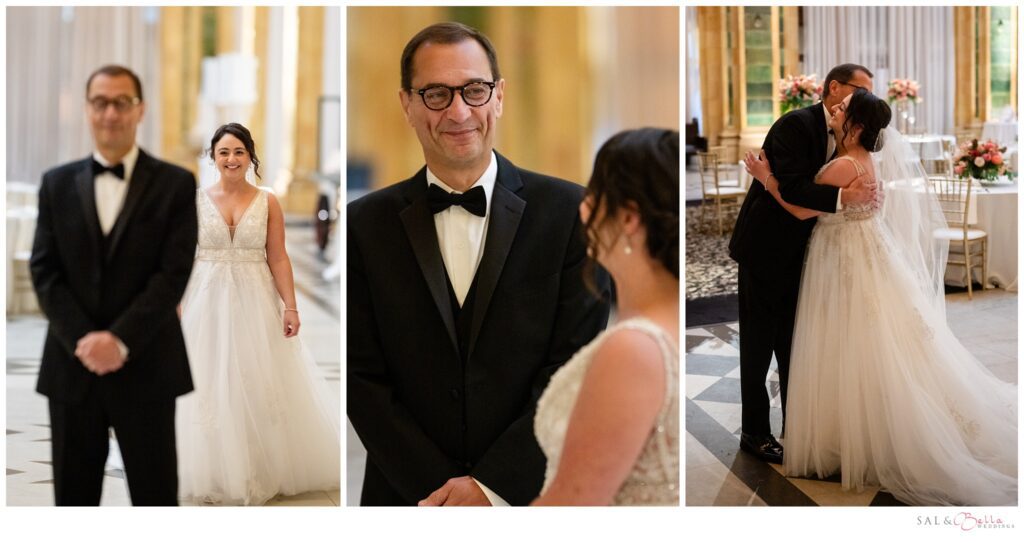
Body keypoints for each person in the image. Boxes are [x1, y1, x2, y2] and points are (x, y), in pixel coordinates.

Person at [347, 21, 611, 506]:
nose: (459, 111)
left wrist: (492, 487)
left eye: (474, 90)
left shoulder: (572, 212)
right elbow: (360, 377)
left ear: (499, 96)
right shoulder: (362, 225)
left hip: (533, 495)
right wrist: (439, 494)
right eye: (435, 94)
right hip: (405, 496)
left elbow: (575, 366)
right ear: (406, 103)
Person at [744, 88, 1018, 506]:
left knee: (845, 342)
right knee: (866, 341)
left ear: (854, 125)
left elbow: (801, 208)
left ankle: (842, 434)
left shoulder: (841, 164)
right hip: (860, 253)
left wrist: (765, 179)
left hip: (840, 259)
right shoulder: (861, 160)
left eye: (845, 110)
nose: (837, 110)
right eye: (840, 103)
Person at [30, 65, 198, 506]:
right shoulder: (55, 184)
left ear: (139, 110)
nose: (110, 113)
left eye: (121, 102)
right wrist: (85, 340)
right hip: (72, 366)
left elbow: (173, 274)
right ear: (87, 109)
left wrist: (120, 340)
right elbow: (45, 271)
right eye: (100, 102)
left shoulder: (175, 185)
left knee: (155, 498)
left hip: (148, 366)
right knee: (74, 502)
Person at [176, 123, 340, 505]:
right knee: (208, 378)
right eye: (224, 152)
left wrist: (291, 306)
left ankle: (259, 464)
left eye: (238, 152)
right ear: (213, 158)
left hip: (255, 297)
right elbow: (181, 257)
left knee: (254, 377)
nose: (231, 159)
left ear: (250, 156)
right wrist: (177, 302)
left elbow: (279, 257)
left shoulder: (268, 201)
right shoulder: (196, 200)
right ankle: (210, 466)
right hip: (206, 296)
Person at [727, 63, 878, 464]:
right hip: (766, 247)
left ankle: (799, 425)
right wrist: (845, 199)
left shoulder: (853, 136)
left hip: (812, 252)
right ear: (834, 88)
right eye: (857, 91)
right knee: (759, 344)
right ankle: (755, 432)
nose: (861, 99)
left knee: (796, 343)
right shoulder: (796, 125)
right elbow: (793, 189)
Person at [532, 128, 679, 506]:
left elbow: (570, 507)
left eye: (594, 195)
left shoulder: (635, 349)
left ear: (629, 217)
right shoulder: (669, 322)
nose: (582, 208)